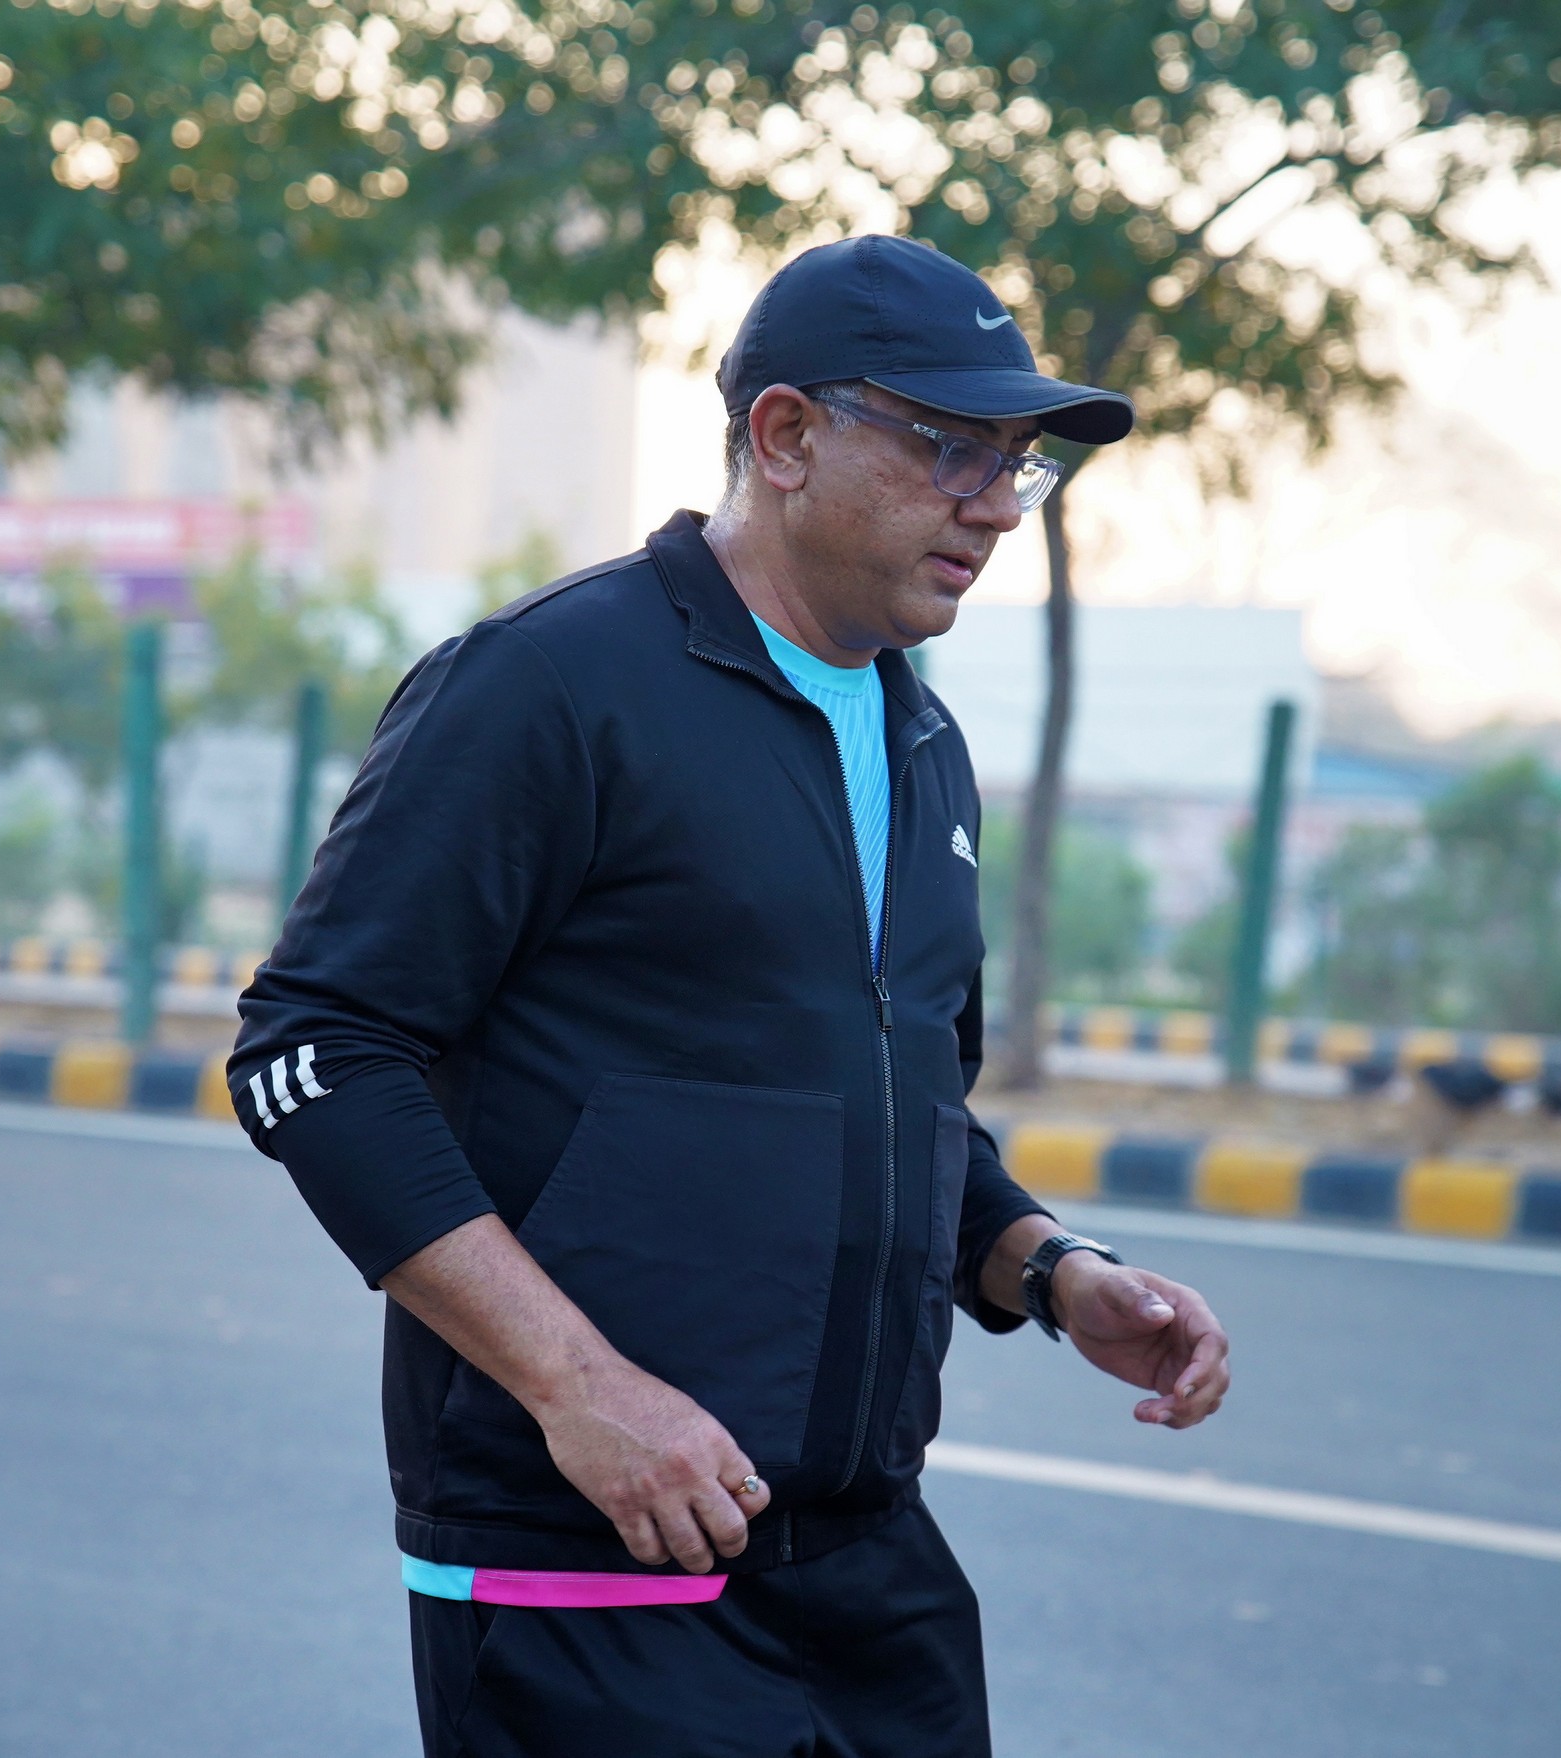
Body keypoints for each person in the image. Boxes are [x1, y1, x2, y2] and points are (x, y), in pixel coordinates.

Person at [229, 233, 1231, 1758]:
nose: (991, 503)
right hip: (589, 1555)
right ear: (784, 434)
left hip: (864, 1559)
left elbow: (888, 1104)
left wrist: (1048, 1268)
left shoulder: (921, 742)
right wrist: (582, 1389)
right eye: (950, 447)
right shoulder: (549, 682)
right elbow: (316, 1051)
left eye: (1018, 465)